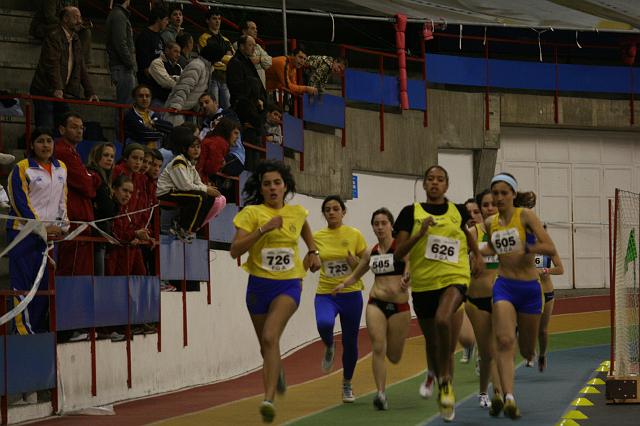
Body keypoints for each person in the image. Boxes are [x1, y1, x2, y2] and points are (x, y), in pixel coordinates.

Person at [230, 159, 321, 423]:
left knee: (270, 336)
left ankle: (268, 400)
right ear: (261, 187)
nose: (272, 188)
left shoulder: (296, 212)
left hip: (289, 284)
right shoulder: (251, 213)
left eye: (277, 183)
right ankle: (276, 369)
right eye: (267, 184)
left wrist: (313, 251)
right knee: (266, 346)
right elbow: (235, 250)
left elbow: (304, 227)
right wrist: (263, 229)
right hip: (259, 286)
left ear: (285, 186)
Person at [393, 165, 483, 422]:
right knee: (433, 343)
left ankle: (445, 383)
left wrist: (476, 255)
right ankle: (442, 377)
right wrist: (420, 235)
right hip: (423, 285)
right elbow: (398, 253)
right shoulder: (410, 213)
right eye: (430, 179)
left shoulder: (458, 211)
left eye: (440, 179)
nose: (435, 183)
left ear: (446, 185)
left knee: (445, 319)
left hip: (454, 278)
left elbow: (468, 235)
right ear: (424, 184)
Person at [481, 172, 556, 419]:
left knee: (525, 349)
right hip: (504, 286)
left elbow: (549, 247)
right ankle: (508, 397)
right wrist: (477, 250)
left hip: (530, 289)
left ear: (513, 194)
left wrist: (528, 247)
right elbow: (493, 247)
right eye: (496, 193)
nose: (499, 197)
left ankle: (530, 355)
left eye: (504, 193)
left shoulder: (525, 216)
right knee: (503, 341)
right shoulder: (491, 222)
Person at [337, 208, 411, 410]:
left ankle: (390, 358)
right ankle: (380, 393)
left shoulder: (401, 248)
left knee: (394, 356)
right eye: (376, 223)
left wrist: (407, 277)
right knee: (378, 347)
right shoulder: (372, 252)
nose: (379, 227)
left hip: (399, 306)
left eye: (383, 223)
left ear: (391, 225)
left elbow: (411, 267)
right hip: (375, 303)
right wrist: (343, 284)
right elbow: (357, 274)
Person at [7, 127, 68, 335]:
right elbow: (19, 203)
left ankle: (38, 331)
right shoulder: (22, 168)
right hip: (23, 235)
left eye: (49, 141)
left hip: (50, 236)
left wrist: (63, 226)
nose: (45, 145)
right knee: (25, 286)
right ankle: (22, 333)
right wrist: (41, 227)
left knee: (44, 288)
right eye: (40, 141)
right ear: (32, 145)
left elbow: (63, 201)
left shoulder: (61, 168)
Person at [308, 196, 367, 403]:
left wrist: (355, 262)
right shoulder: (317, 237)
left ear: (343, 212)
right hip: (326, 293)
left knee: (351, 343)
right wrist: (312, 261)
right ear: (323, 214)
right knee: (324, 323)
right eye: (327, 209)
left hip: (351, 295)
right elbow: (310, 262)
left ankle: (347, 384)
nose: (331, 212)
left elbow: (366, 263)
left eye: (335, 209)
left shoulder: (354, 235)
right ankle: (329, 345)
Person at [30, 6, 98, 129]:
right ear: (65, 19)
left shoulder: (76, 38)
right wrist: (58, 88)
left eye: (80, 17)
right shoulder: (53, 36)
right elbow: (52, 64)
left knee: (65, 126)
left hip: (62, 91)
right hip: (45, 90)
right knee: (46, 126)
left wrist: (90, 92)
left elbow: (81, 67)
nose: (80, 21)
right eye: (76, 17)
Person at [465, 190, 503, 409]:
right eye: (484, 205)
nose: (489, 208)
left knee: (499, 347)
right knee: (487, 352)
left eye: (493, 204)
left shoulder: (508, 232)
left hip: (501, 296)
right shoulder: (471, 233)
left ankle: (500, 392)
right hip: (476, 298)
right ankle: (483, 391)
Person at [156, 126, 225, 241]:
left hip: (177, 192)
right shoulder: (179, 161)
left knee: (210, 197)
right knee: (200, 196)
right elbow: (185, 186)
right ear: (184, 149)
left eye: (198, 147)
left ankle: (192, 227)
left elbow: (197, 182)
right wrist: (206, 189)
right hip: (166, 192)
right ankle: (185, 228)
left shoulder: (189, 164)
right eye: (192, 147)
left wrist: (207, 188)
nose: (196, 150)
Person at [54, 112, 101, 276]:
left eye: (81, 128)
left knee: (80, 272)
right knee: (72, 272)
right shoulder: (62, 151)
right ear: (61, 129)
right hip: (74, 220)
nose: (79, 131)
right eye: (74, 127)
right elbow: (87, 186)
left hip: (81, 220)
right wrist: (94, 177)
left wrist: (90, 177)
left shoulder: (72, 151)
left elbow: (87, 182)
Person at [164, 43, 225, 126]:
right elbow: (184, 86)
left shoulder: (207, 68)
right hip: (177, 110)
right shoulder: (197, 65)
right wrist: (176, 105)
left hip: (189, 111)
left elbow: (199, 91)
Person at [534, 224, 564, 372]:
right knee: (525, 327)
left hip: (547, 293)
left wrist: (546, 270)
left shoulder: (549, 250)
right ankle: (528, 350)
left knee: (542, 330)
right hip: (530, 293)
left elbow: (560, 269)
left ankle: (542, 354)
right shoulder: (525, 249)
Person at [106, 174, 149, 275]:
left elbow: (129, 231)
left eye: (130, 192)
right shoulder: (110, 210)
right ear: (114, 189)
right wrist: (135, 234)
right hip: (112, 258)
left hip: (126, 258)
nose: (128, 195)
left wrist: (141, 236)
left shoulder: (125, 210)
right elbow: (115, 235)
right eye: (124, 190)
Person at [86, 142, 117, 275]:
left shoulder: (106, 178)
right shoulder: (94, 175)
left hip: (102, 235)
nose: (110, 159)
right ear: (96, 156)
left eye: (112, 156)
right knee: (98, 279)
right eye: (105, 155)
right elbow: (108, 210)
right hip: (95, 235)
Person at [30, 0, 92, 65]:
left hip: (66, 25)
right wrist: (68, 23)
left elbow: (76, 15)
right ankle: (63, 61)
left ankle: (81, 62)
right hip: (44, 27)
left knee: (86, 32)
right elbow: (49, 18)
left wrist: (79, 23)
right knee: (63, 29)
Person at [198, 8, 234, 109]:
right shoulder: (203, 37)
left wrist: (220, 57)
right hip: (212, 76)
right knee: (213, 108)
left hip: (225, 78)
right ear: (207, 20)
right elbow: (210, 57)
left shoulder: (226, 40)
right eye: (214, 18)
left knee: (227, 108)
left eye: (219, 18)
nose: (217, 21)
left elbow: (233, 59)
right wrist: (225, 56)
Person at [106, 0, 136, 108]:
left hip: (122, 66)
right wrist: (130, 63)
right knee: (124, 107)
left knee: (125, 106)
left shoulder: (118, 14)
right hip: (122, 67)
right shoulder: (119, 15)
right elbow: (120, 43)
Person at [227, 35, 267, 113]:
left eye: (254, 46)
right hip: (244, 109)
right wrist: (255, 100)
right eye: (250, 45)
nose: (253, 48)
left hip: (253, 106)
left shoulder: (247, 61)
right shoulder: (235, 62)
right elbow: (236, 88)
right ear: (242, 46)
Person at [197, 117, 242, 183]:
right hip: (198, 178)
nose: (237, 137)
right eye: (235, 133)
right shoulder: (220, 143)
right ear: (227, 131)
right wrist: (220, 163)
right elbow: (211, 169)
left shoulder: (214, 140)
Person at [135, 6, 168, 87]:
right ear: (158, 19)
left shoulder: (160, 37)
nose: (167, 23)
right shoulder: (144, 36)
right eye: (166, 19)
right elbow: (144, 64)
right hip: (148, 82)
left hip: (159, 79)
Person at [233, 20, 272, 89]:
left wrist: (259, 59)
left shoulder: (258, 46)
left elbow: (269, 62)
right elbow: (250, 61)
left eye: (256, 28)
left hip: (260, 87)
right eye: (252, 28)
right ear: (244, 31)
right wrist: (262, 60)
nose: (256, 31)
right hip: (247, 89)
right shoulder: (237, 45)